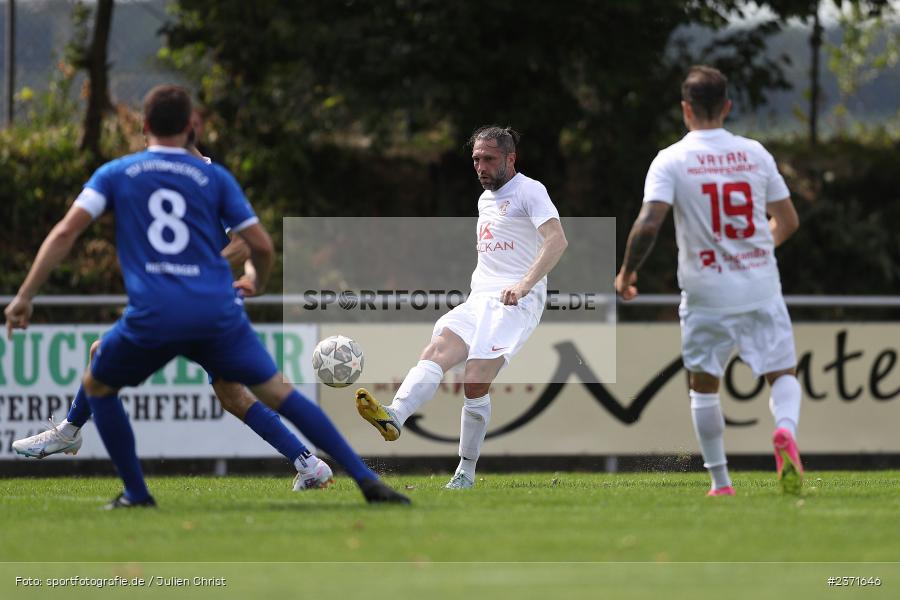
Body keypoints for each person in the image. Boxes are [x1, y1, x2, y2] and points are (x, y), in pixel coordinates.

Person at [4, 84, 409, 507]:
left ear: (143, 127)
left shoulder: (118, 172)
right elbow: (262, 245)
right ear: (191, 126)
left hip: (157, 311)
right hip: (215, 311)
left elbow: (67, 231)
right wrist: (257, 279)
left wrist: (25, 296)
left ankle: (128, 485)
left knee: (100, 382)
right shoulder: (212, 178)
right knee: (274, 392)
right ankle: (357, 477)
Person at [615, 66, 804, 496]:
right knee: (782, 372)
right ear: (727, 107)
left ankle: (721, 482)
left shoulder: (672, 159)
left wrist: (628, 272)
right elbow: (788, 220)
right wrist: (757, 251)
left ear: (686, 109)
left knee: (703, 386)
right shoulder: (755, 153)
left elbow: (648, 223)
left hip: (706, 291)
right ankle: (786, 431)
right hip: (760, 285)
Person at [355, 126, 567, 489]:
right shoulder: (485, 199)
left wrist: (524, 284)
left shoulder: (531, 191)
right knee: (435, 351)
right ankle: (395, 416)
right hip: (480, 298)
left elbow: (557, 240)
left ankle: (465, 472)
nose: (481, 167)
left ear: (510, 159)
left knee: (474, 381)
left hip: (516, 301)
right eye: (476, 160)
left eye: (489, 159)